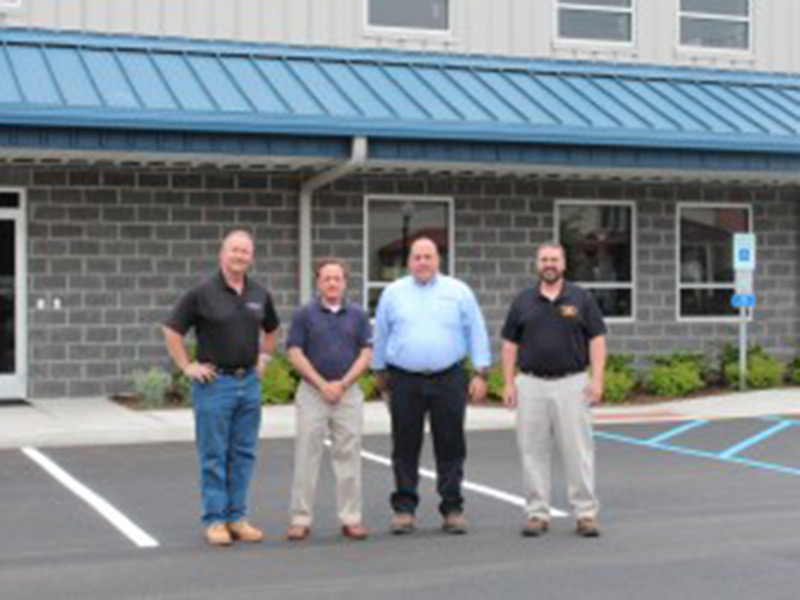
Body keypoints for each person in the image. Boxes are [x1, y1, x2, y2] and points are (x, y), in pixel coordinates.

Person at [162, 229, 279, 547]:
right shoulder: (202, 292)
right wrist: (187, 366)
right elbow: (172, 330)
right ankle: (215, 520)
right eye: (234, 250)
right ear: (222, 254)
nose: (239, 256)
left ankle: (237, 518)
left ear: (251, 258)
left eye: (245, 251)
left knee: (243, 453)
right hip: (215, 385)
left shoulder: (259, 293)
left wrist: (264, 357)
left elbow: (272, 329)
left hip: (248, 384)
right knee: (213, 455)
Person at [372, 237, 491, 535]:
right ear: (409, 261)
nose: (423, 262)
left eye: (428, 256)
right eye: (417, 257)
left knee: (450, 445)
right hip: (404, 379)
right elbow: (382, 333)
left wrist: (480, 372)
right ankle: (404, 510)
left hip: (448, 377)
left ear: (438, 260)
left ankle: (452, 508)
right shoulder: (393, 293)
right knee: (404, 446)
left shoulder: (458, 291)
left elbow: (476, 330)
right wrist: (378, 372)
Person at [501, 242, 607, 538]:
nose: (549, 264)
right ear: (537, 265)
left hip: (572, 384)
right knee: (532, 451)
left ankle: (585, 514)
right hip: (531, 384)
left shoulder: (582, 298)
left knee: (578, 452)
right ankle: (537, 513)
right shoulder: (523, 300)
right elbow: (510, 344)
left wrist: (597, 380)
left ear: (563, 264)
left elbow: (597, 339)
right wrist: (509, 383)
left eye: (554, 260)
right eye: (544, 260)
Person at [285, 258, 372, 542]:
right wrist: (322, 384)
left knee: (348, 456)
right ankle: (300, 518)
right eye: (327, 278)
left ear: (345, 282)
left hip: (348, 395)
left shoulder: (358, 316)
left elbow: (366, 353)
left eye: (337, 278)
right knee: (306, 456)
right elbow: (295, 352)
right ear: (318, 282)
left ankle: (351, 518)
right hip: (312, 394)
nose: (332, 283)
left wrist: (343, 384)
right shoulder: (304, 315)